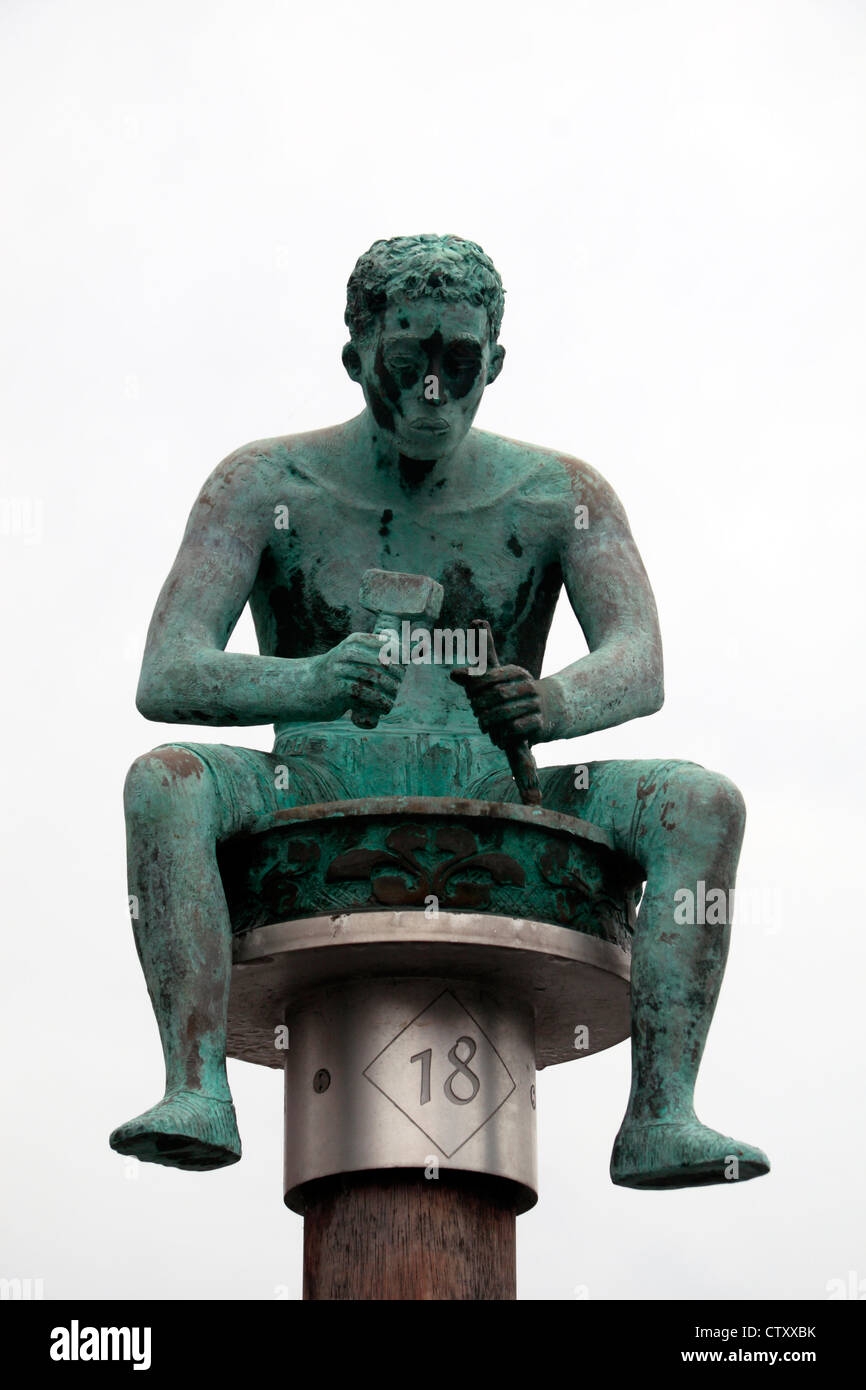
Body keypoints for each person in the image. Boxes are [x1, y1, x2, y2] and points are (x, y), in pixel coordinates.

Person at [110, 234, 769, 1188]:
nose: (432, 393)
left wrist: (549, 702)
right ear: (356, 358)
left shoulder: (559, 495)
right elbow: (167, 672)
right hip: (308, 778)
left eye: (458, 365)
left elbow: (638, 661)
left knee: (704, 803)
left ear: (495, 361)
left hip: (503, 779)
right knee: (163, 784)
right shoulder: (262, 484)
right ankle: (195, 1085)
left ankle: (662, 1111)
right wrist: (312, 682)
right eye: (406, 361)